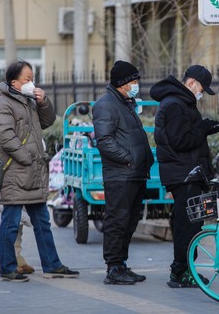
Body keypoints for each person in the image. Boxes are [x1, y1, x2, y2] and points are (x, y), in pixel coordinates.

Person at [0, 60, 78, 282]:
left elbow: (47, 122)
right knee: (10, 223)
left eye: (33, 78)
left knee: (42, 222)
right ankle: (8, 268)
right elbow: (5, 137)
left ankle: (52, 265)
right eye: (28, 79)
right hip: (15, 171)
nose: (32, 83)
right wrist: (26, 157)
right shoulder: (2, 103)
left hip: (33, 171)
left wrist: (43, 100)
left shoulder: (28, 100)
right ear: (14, 82)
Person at [150, 65, 219, 288]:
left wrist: (203, 129)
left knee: (191, 224)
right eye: (201, 88)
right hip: (184, 174)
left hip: (189, 173)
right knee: (187, 225)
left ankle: (185, 269)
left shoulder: (180, 103)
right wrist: (203, 128)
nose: (201, 94)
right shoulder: (175, 105)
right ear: (191, 83)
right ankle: (181, 272)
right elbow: (181, 141)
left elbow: (185, 137)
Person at [92, 60, 153, 285]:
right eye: (133, 81)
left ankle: (122, 264)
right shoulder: (105, 104)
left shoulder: (126, 102)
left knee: (130, 221)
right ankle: (113, 267)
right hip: (121, 174)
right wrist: (128, 160)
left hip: (135, 173)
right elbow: (105, 141)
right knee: (118, 221)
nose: (136, 84)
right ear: (122, 83)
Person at [0, 122, 35, 276]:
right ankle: (3, 260)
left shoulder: (18, 117)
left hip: (17, 176)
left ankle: (17, 256)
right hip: (3, 176)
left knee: (18, 218)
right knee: (1, 219)